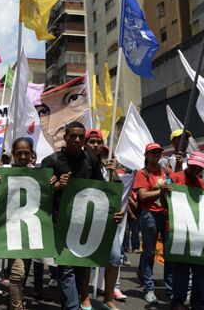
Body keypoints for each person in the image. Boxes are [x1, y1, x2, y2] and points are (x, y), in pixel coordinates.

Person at [41, 121, 123, 310]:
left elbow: (101, 192)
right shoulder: (51, 161)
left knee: (81, 267)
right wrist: (57, 186)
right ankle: (73, 307)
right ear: (65, 137)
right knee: (66, 269)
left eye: (80, 136)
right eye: (73, 136)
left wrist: (114, 213)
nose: (77, 140)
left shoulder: (91, 160)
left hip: (86, 223)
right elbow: (40, 193)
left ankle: (70, 303)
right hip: (60, 222)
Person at [82, 129, 127, 309]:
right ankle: (84, 297)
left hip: (108, 218)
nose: (95, 145)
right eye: (92, 141)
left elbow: (116, 194)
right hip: (87, 216)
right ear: (86, 144)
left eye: (98, 142)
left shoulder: (109, 166)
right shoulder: (81, 163)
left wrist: (113, 173)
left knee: (114, 257)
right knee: (86, 258)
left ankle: (108, 299)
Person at [4, 137, 50, 310]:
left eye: (26, 153)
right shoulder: (5, 171)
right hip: (10, 230)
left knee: (23, 271)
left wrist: (54, 185)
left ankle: (15, 300)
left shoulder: (39, 175)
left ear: (32, 155)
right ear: (13, 154)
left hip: (30, 232)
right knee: (18, 271)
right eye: (19, 153)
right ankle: (17, 307)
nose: (23, 156)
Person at [170, 152, 204, 310]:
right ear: (188, 163)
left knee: (202, 271)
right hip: (181, 232)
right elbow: (164, 202)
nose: (194, 170)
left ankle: (199, 304)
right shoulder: (175, 178)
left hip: (200, 233)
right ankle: (178, 301)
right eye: (193, 166)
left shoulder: (203, 184)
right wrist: (165, 190)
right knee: (181, 271)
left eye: (198, 168)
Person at [133, 142, 173, 305]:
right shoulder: (143, 173)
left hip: (167, 216)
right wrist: (161, 191)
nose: (156, 155)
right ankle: (148, 289)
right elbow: (142, 196)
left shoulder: (167, 171)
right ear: (146, 156)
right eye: (153, 152)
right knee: (149, 253)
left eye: (158, 152)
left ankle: (171, 290)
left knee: (170, 253)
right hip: (149, 216)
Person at [35, 77, 90, 150]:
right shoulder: (48, 161)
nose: (52, 130)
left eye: (73, 98)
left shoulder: (90, 160)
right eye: (43, 111)